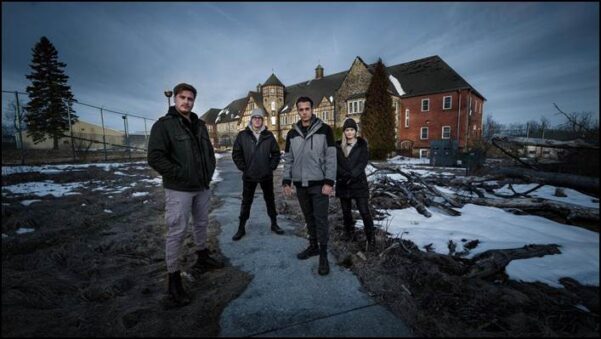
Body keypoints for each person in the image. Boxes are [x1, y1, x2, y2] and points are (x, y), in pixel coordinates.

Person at [148, 83, 224, 306]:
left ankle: (203, 256)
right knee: (177, 231)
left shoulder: (199, 125)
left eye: (190, 99)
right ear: (175, 99)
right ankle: (173, 280)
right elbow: (155, 157)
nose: (186, 102)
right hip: (179, 189)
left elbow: (209, 153)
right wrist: (179, 174)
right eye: (182, 97)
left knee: (201, 223)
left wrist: (208, 172)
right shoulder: (163, 126)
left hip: (201, 187)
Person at [282, 96, 336, 276]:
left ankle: (323, 254)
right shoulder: (292, 133)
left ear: (312, 109)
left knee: (320, 219)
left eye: (307, 108)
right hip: (300, 184)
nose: (304, 112)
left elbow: (331, 157)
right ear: (297, 111)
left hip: (319, 183)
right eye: (301, 109)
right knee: (308, 217)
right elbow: (288, 159)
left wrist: (329, 181)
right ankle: (313, 246)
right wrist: (286, 181)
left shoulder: (325, 130)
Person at [231, 108, 283, 240]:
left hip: (266, 175)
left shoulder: (268, 135)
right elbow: (236, 154)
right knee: (246, 202)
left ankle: (274, 224)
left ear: (262, 120)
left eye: (259, 118)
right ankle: (241, 227)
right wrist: (245, 168)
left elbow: (276, 154)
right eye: (255, 118)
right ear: (251, 119)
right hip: (249, 176)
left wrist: (270, 167)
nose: (257, 120)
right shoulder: (243, 135)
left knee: (270, 200)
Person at [335, 118, 376, 251]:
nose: (350, 132)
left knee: (364, 211)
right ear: (344, 132)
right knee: (346, 212)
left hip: (359, 183)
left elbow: (362, 163)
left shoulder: (362, 145)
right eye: (347, 130)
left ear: (355, 131)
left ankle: (371, 240)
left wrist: (352, 175)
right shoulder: (338, 146)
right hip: (343, 183)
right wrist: (344, 175)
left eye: (352, 129)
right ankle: (349, 234)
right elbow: (335, 164)